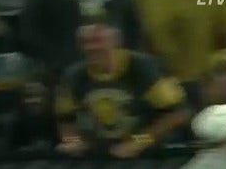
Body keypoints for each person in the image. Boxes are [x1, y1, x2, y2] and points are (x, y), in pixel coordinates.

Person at [54, 22, 188, 158]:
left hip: (150, 157)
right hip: (98, 158)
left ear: (114, 42)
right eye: (85, 42)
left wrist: (139, 142)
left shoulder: (143, 68)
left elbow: (177, 114)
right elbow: (64, 119)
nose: (91, 47)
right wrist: (73, 142)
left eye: (97, 41)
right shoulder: (74, 75)